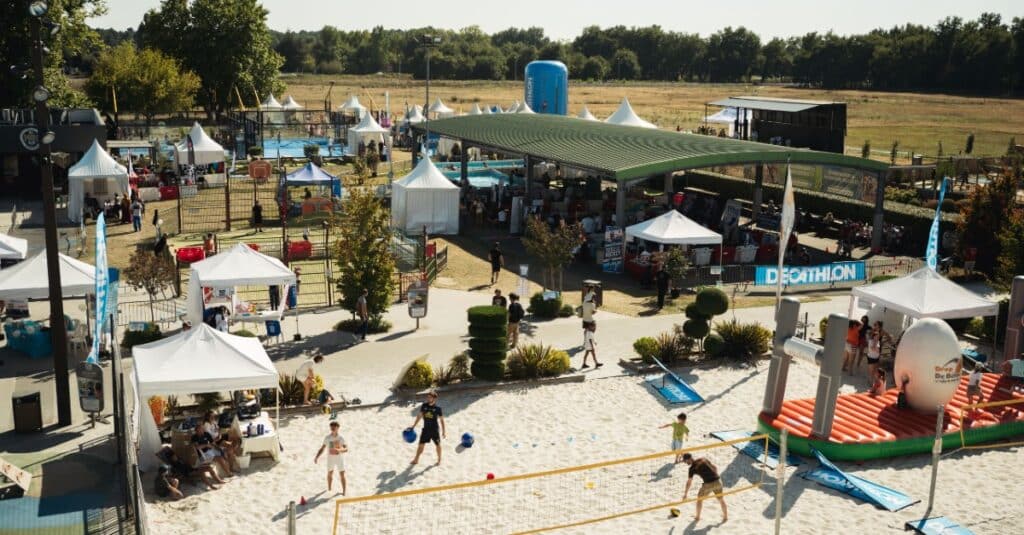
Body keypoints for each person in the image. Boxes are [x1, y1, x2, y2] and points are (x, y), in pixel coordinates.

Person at [681, 453, 728, 523]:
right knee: (721, 500)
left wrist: (685, 493)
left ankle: (697, 517)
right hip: (718, 481)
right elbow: (715, 467)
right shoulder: (703, 459)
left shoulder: (692, 468)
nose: (685, 462)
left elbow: (689, 482)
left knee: (699, 499)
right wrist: (714, 476)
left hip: (708, 484)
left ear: (688, 459)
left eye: (685, 461)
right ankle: (725, 517)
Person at [157, 445, 223, 490]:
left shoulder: (179, 460)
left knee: (209, 467)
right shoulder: (174, 465)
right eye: (174, 456)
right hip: (189, 473)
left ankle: (218, 480)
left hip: (192, 469)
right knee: (201, 472)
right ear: (171, 458)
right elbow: (180, 473)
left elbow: (188, 463)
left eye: (175, 455)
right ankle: (211, 486)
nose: (175, 456)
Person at [410, 391, 446, 465]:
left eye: (430, 397)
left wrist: (443, 431)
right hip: (425, 429)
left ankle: (439, 460)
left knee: (438, 445)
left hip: (434, 430)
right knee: (421, 445)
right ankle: (416, 460)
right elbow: (419, 416)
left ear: (434, 399)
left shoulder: (438, 409)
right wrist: (413, 426)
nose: (428, 398)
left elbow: (442, 420)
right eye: (428, 397)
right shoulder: (424, 405)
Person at [314, 421, 348, 494]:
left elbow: (346, 449)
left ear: (338, 428)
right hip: (330, 458)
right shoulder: (327, 438)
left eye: (334, 427)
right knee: (330, 473)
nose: (332, 428)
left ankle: (344, 492)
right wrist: (317, 457)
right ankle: (329, 489)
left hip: (339, 458)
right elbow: (322, 448)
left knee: (342, 474)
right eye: (331, 427)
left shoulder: (341, 438)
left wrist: (339, 450)